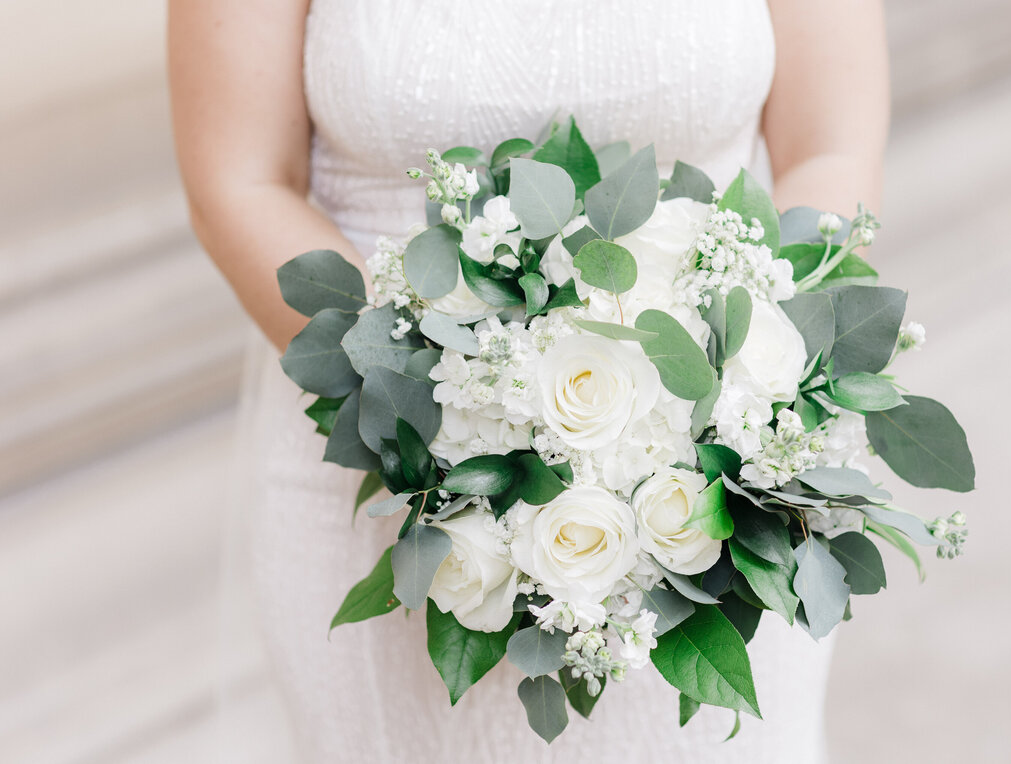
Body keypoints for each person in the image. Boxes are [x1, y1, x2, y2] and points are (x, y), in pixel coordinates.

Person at [169, 1, 889, 761]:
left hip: (710, 513)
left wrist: (710, 413)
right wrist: (466, 396)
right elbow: (240, 181)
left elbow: (830, 150)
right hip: (392, 478)